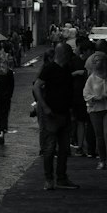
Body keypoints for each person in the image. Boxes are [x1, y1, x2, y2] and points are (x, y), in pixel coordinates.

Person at [32, 41, 78, 191]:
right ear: (63, 53)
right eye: (69, 53)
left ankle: (62, 177)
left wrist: (71, 111)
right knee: (50, 148)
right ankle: (49, 178)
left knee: (64, 149)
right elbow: (37, 86)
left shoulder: (66, 69)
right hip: (51, 114)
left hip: (64, 113)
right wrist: (44, 107)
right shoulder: (49, 68)